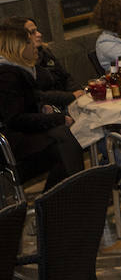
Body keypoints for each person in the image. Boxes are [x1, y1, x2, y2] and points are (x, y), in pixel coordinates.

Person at [0, 23, 83, 189]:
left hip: (24, 134)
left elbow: (29, 101)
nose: (35, 46)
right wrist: (57, 118)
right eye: (30, 42)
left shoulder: (21, 70)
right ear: (19, 47)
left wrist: (42, 108)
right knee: (64, 142)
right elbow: (15, 119)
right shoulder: (7, 75)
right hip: (12, 145)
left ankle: (69, 196)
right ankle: (67, 198)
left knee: (65, 136)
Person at [4, 16, 74, 92]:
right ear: (18, 39)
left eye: (37, 30)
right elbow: (38, 95)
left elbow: (65, 76)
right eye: (32, 32)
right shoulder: (11, 68)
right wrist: (71, 96)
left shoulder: (44, 51)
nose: (39, 34)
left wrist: (77, 92)